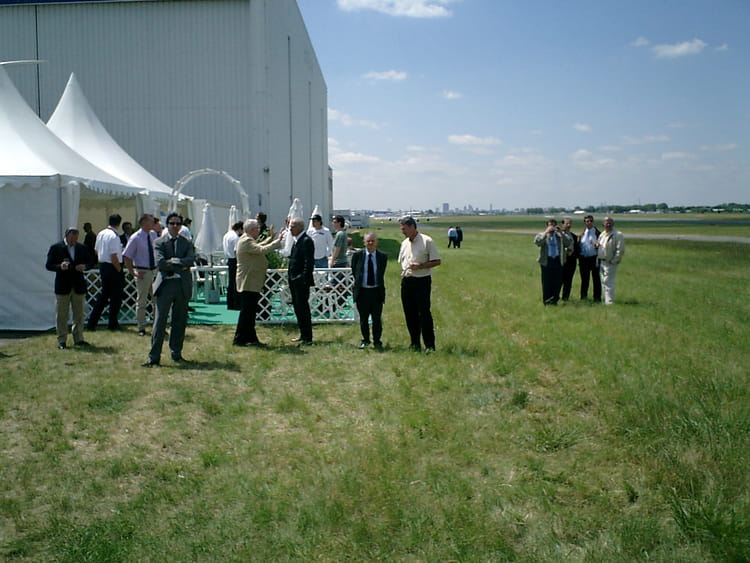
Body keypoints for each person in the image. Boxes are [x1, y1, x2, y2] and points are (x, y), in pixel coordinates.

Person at [143, 213, 195, 367]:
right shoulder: (159, 242)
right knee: (160, 322)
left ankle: (176, 353)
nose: (175, 226)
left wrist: (174, 261)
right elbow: (160, 262)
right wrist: (180, 265)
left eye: (178, 223)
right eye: (172, 223)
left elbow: (191, 260)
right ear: (167, 225)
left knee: (179, 321)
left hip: (182, 285)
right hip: (165, 285)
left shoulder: (186, 242)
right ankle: (154, 357)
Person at [233, 219, 283, 347]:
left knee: (250, 312)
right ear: (252, 230)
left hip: (251, 281)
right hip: (248, 281)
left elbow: (258, 246)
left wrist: (270, 238)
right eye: (257, 229)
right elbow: (261, 250)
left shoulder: (247, 239)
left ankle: (250, 337)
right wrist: (277, 241)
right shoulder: (246, 241)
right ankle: (240, 338)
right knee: (247, 313)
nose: (259, 231)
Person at [46, 228, 95, 349]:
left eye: (76, 239)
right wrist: (60, 266)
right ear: (66, 236)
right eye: (72, 239)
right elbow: (49, 265)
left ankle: (78, 338)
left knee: (79, 314)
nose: (74, 241)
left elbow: (91, 262)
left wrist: (85, 266)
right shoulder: (56, 247)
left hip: (78, 285)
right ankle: (62, 340)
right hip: (63, 285)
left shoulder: (81, 247)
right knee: (62, 314)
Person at [398, 216, 441, 351]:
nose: (402, 232)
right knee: (409, 313)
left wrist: (421, 266)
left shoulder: (427, 241)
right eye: (402, 229)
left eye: (404, 229)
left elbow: (437, 261)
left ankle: (429, 345)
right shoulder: (404, 243)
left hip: (421, 281)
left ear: (412, 227)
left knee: (424, 313)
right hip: (407, 281)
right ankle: (415, 343)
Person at [87, 213, 125, 330]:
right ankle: (112, 323)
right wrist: (119, 270)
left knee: (103, 296)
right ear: (119, 223)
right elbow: (114, 256)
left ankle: (92, 322)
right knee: (116, 297)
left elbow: (96, 250)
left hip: (103, 265)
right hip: (113, 266)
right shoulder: (114, 236)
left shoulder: (101, 233)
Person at [350, 232, 387, 350]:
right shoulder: (357, 255)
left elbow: (381, 272)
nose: (370, 243)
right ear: (364, 243)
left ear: (377, 242)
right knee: (363, 318)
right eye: (368, 241)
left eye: (373, 241)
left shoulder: (382, 256)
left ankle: (377, 341)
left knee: (377, 318)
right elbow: (354, 271)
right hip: (362, 292)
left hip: (376, 291)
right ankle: (365, 340)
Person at [123, 213, 158, 336]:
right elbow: (127, 256)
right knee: (142, 301)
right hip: (143, 271)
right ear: (144, 223)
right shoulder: (135, 237)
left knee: (156, 300)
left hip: (154, 271)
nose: (153, 223)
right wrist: (132, 272)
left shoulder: (153, 235)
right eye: (151, 221)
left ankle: (157, 326)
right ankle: (141, 327)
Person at [287, 217, 315, 345]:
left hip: (301, 282)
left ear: (299, 227)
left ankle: (307, 337)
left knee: (303, 309)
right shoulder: (296, 241)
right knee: (298, 308)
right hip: (293, 281)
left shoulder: (306, 241)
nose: (290, 229)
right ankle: (302, 334)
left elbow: (308, 263)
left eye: (292, 227)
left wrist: (302, 278)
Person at [534, 218, 572, 305]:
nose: (552, 227)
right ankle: (546, 300)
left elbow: (568, 243)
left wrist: (561, 233)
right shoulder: (542, 234)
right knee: (546, 282)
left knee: (557, 282)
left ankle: (555, 300)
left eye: (554, 225)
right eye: (550, 225)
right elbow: (537, 242)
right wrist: (546, 232)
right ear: (547, 226)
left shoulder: (559, 236)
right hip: (546, 261)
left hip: (558, 261)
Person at [596, 216, 625, 305]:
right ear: (603, 224)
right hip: (601, 261)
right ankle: (605, 300)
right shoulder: (602, 234)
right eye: (606, 223)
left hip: (610, 262)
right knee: (603, 282)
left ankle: (609, 302)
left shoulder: (617, 234)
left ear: (613, 224)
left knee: (608, 282)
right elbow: (599, 244)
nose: (608, 224)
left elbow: (620, 250)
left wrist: (614, 261)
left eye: (610, 222)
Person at [578, 214, 601, 302]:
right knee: (584, 280)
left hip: (594, 258)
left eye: (591, 221)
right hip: (584, 259)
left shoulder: (597, 233)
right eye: (587, 221)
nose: (589, 223)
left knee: (596, 279)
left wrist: (598, 246)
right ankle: (583, 297)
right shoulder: (582, 234)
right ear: (584, 222)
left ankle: (597, 298)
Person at [223, 221, 244, 311]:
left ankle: (230, 303)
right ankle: (236, 303)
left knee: (231, 283)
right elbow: (236, 251)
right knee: (236, 283)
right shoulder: (236, 237)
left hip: (229, 259)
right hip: (235, 260)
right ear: (239, 229)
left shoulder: (226, 235)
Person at [560, 217, 579, 301]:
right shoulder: (558, 234)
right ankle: (555, 297)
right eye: (567, 223)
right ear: (562, 224)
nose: (569, 225)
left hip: (571, 261)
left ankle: (565, 298)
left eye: (570, 223)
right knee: (559, 280)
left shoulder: (574, 236)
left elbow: (577, 248)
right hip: (561, 260)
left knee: (568, 281)